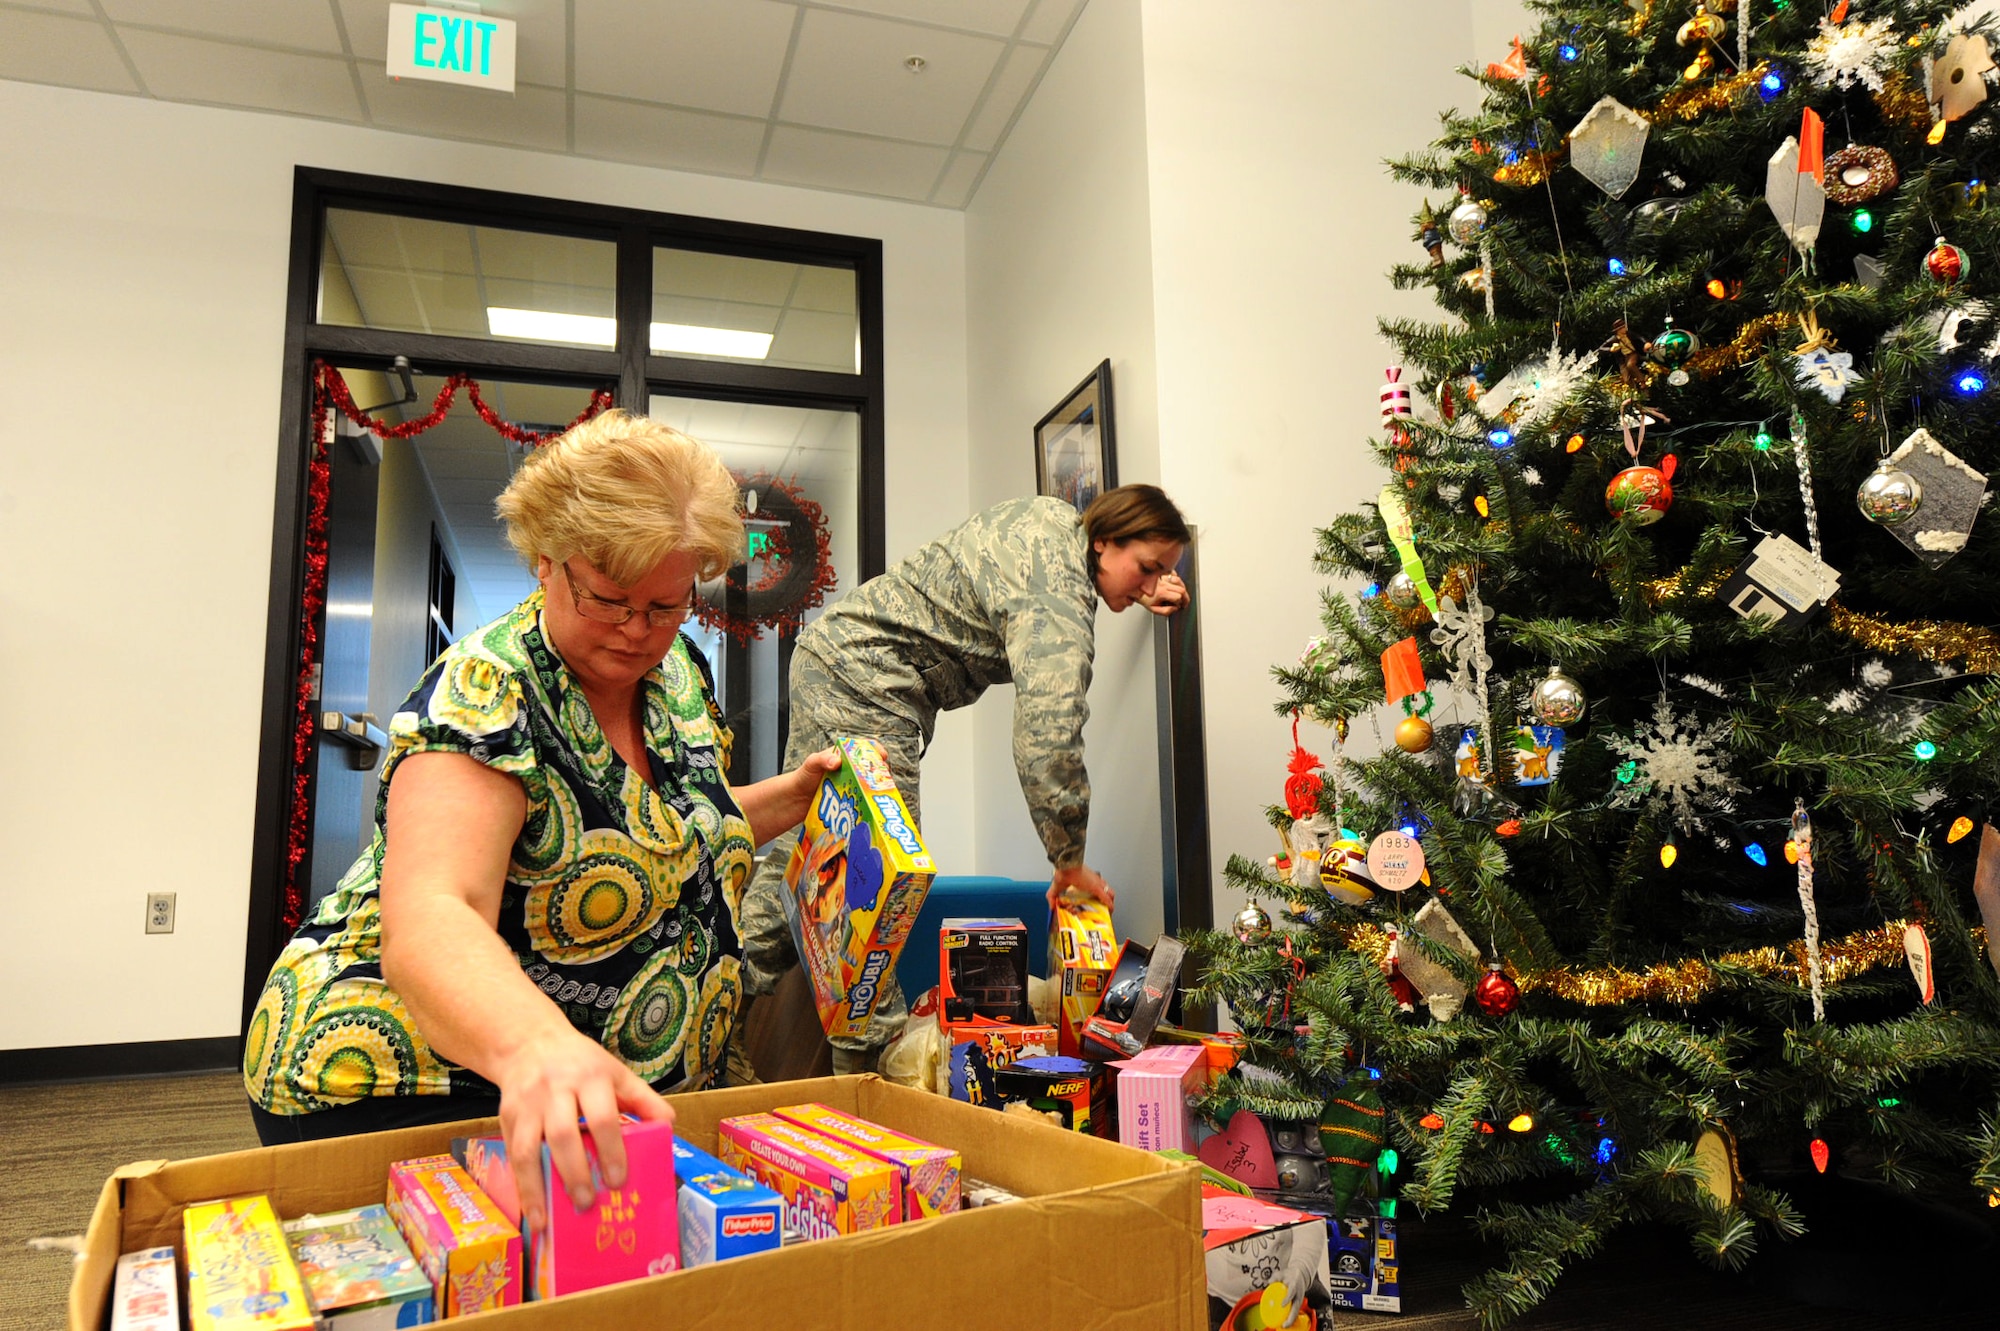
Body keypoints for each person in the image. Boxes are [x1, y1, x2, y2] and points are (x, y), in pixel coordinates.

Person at [242, 409, 838, 1235]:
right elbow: (434, 914)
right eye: (608, 599)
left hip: (588, 1083)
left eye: (665, 605)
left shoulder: (679, 677)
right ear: (544, 561)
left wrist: (797, 796)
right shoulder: (490, 688)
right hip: (408, 1074)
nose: (637, 631)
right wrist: (531, 1045)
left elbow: (667, 832)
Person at [739, 484, 1192, 1072]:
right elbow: (1048, 740)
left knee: (809, 857)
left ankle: (720, 1022)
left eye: (1164, 571)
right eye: (1146, 567)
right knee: (878, 886)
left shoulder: (1053, 522)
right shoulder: (1057, 597)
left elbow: (1105, 575)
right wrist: (1068, 860)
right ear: (1103, 541)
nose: (1151, 581)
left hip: (834, 657)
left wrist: (1145, 581)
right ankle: (872, 1087)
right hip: (869, 685)